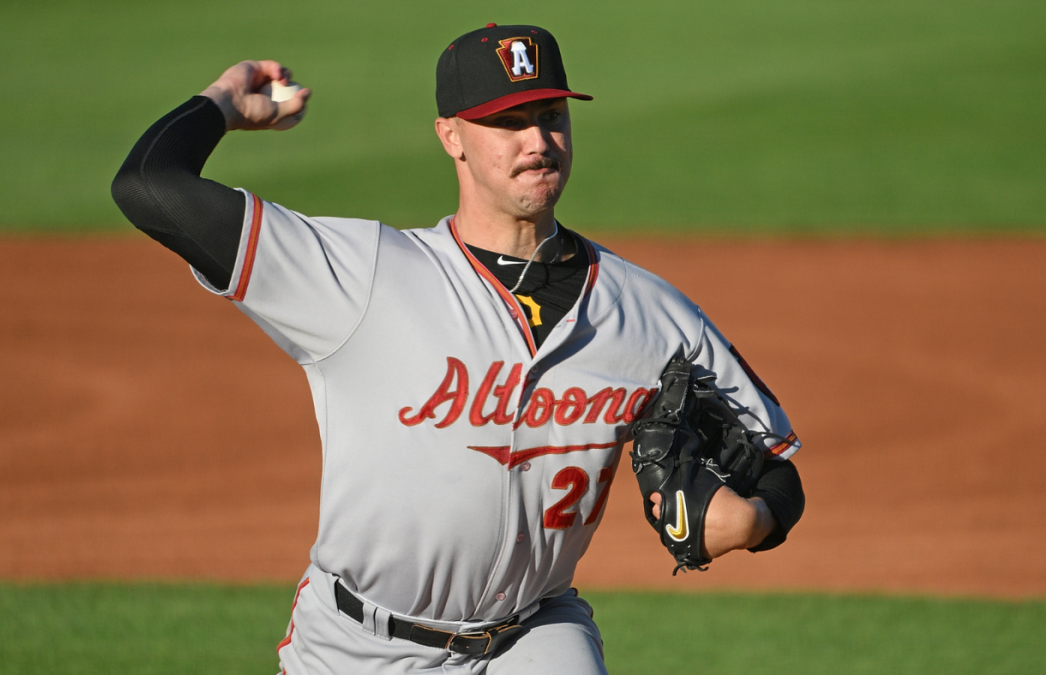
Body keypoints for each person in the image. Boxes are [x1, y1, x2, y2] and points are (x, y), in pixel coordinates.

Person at [112, 23, 804, 675]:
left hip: (535, 636)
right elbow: (148, 186)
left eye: (551, 117)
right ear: (451, 137)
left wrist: (753, 518)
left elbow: (774, 461)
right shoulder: (363, 276)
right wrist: (224, 103)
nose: (537, 140)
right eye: (507, 123)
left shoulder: (649, 314)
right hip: (357, 645)